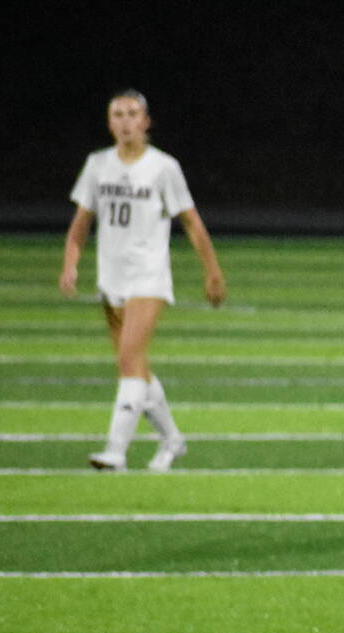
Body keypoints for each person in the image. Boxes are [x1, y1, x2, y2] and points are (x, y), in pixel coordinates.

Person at [60, 89, 226, 472]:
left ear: (146, 122)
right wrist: (71, 265)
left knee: (129, 359)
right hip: (112, 278)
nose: (125, 122)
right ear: (109, 123)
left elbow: (191, 221)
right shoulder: (97, 165)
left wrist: (213, 271)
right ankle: (173, 440)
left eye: (133, 114)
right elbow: (81, 223)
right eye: (118, 114)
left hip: (149, 277)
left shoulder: (163, 167)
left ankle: (116, 451)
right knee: (135, 366)